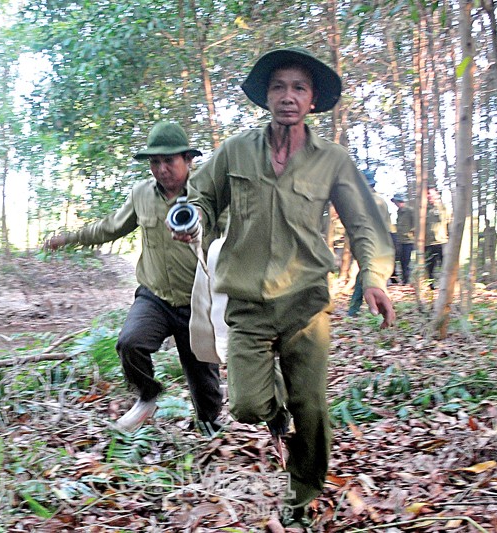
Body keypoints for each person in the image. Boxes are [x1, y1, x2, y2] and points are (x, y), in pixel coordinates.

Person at [172, 47, 395, 525]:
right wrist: (194, 221)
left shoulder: (332, 160)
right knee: (246, 405)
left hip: (305, 302)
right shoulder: (236, 151)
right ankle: (275, 413)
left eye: (299, 88)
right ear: (266, 96)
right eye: (278, 87)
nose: (288, 96)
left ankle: (300, 497)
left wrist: (373, 277)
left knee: (310, 407)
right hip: (248, 301)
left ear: (312, 100)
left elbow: (364, 223)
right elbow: (202, 196)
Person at [44, 121, 223, 436]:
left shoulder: (208, 194)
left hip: (197, 301)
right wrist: (69, 238)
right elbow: (110, 227)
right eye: (155, 162)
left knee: (203, 380)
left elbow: (236, 237)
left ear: (188, 160)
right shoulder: (141, 194)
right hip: (155, 295)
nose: (162, 169)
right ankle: (147, 396)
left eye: (169, 160)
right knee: (130, 343)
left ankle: (208, 431)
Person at [347, 169, 391, 316]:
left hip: (371, 243)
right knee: (368, 274)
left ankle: (355, 309)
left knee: (366, 275)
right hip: (377, 243)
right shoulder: (378, 200)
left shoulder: (370, 201)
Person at [425, 186, 449, 289]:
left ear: (436, 195)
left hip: (441, 242)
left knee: (444, 266)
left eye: (431, 194)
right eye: (427, 194)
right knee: (429, 268)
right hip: (428, 243)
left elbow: (449, 223)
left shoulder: (443, 208)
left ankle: (445, 287)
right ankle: (431, 288)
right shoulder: (423, 209)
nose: (429, 196)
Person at [391, 193, 414, 284]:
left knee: (406, 262)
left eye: (396, 202)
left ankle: (407, 281)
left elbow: (415, 223)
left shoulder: (409, 211)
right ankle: (404, 280)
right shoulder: (399, 212)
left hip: (408, 241)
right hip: (400, 241)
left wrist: (411, 233)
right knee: (401, 261)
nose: (395, 204)